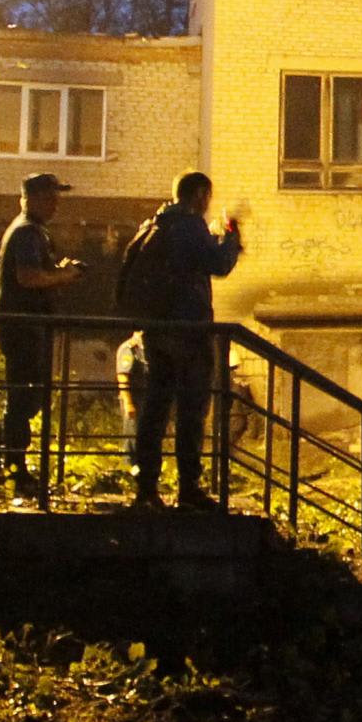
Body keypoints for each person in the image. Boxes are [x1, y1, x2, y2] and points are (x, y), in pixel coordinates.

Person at [116, 170, 242, 511]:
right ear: (200, 194)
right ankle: (188, 488)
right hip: (188, 332)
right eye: (207, 197)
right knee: (190, 411)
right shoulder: (189, 226)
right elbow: (218, 264)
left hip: (156, 332)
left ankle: (146, 487)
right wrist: (230, 237)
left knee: (155, 408)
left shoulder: (155, 225)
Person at [0, 171, 84, 492]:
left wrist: (58, 271)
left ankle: (0, 458)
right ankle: (13, 467)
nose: (56, 204)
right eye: (49, 197)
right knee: (25, 396)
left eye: (56, 197)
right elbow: (28, 277)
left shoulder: (30, 232)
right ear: (30, 199)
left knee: (26, 395)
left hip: (24, 325)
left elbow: (33, 274)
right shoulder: (28, 233)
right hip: (24, 326)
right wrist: (62, 276)